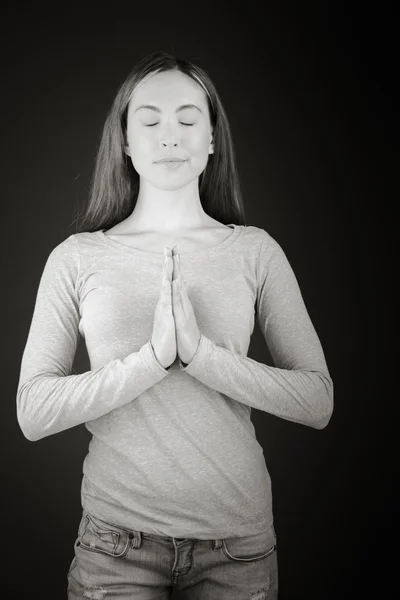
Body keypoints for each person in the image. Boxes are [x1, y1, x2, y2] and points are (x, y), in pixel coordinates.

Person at [16, 51, 334, 600]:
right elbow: (33, 411)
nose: (170, 135)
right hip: (115, 549)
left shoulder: (256, 251)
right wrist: (153, 361)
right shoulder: (76, 258)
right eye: (150, 120)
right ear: (125, 142)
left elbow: (317, 400)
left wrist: (202, 355)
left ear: (211, 140)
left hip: (238, 547)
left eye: (188, 120)